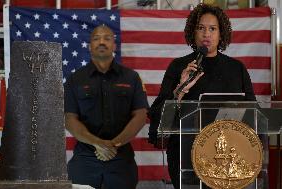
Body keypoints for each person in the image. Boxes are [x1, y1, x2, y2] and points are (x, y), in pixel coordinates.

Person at [148, 3, 256, 189]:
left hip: (227, 158)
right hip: (185, 156)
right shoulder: (178, 67)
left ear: (221, 33)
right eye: (201, 28)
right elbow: (159, 116)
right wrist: (180, 90)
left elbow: (253, 115)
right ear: (193, 32)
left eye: (213, 29)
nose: (207, 34)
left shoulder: (236, 69)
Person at [64, 25, 149, 189]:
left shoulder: (132, 77)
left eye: (107, 38)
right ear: (89, 46)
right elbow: (69, 119)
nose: (101, 42)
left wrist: (113, 145)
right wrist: (98, 144)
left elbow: (140, 115)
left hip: (121, 158)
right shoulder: (75, 79)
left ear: (114, 46)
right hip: (85, 158)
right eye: (96, 38)